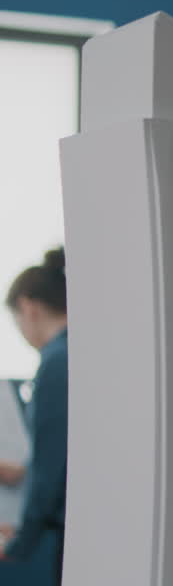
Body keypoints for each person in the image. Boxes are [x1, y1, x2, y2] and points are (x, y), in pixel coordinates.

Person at [0, 248, 68, 582]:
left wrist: (20, 541)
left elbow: (50, 466)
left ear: (28, 308)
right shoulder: (77, 352)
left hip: (62, 532)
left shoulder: (56, 362)